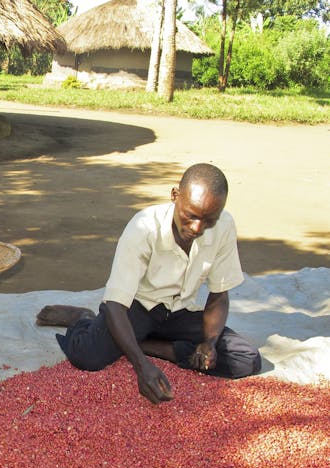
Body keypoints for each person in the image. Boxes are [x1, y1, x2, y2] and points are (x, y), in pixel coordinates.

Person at [37, 163, 261, 404]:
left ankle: (147, 345)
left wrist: (210, 342)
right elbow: (115, 304)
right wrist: (141, 366)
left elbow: (218, 295)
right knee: (89, 357)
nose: (198, 228)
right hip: (139, 309)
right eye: (192, 216)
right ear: (175, 196)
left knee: (247, 358)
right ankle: (85, 319)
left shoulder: (224, 225)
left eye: (209, 221)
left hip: (181, 312)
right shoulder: (143, 227)